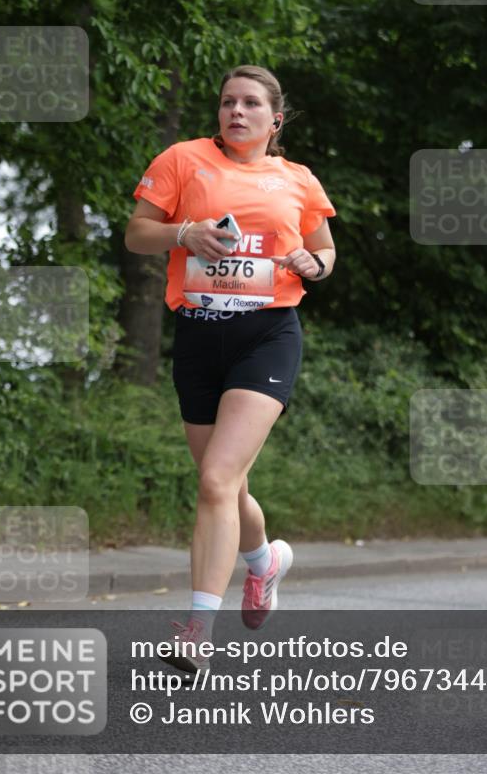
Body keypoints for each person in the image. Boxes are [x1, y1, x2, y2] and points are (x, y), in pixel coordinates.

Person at [125, 64, 336, 671]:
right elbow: (137, 234)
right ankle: (264, 563)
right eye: (227, 102)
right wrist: (184, 234)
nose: (236, 112)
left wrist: (314, 264)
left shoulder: (297, 179)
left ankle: (196, 633)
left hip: (267, 335)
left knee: (217, 480)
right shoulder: (182, 159)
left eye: (249, 103)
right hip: (199, 336)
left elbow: (324, 251)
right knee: (227, 485)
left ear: (276, 118)